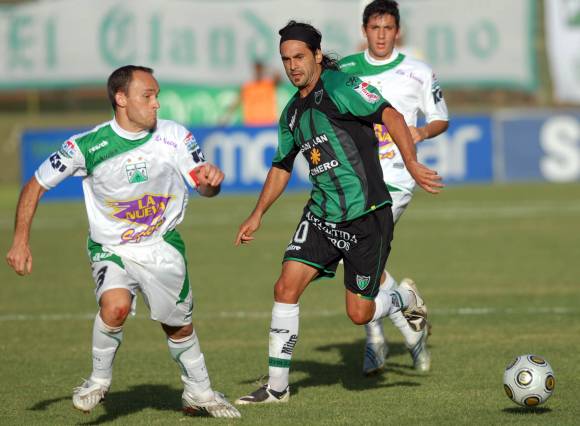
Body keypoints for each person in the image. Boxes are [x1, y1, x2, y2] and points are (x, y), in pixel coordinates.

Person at [5, 65, 241, 418]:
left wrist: (211, 181)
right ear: (121, 98)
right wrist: (20, 240)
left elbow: (204, 186)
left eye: (157, 95)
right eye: (147, 96)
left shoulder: (175, 136)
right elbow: (35, 184)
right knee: (114, 307)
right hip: (111, 248)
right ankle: (98, 381)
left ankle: (199, 392)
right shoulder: (86, 146)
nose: (156, 103)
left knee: (178, 326)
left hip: (162, 246)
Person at [233, 20, 442, 405]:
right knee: (284, 288)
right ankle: (277, 388)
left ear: (316, 55)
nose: (292, 66)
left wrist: (411, 163)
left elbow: (392, 116)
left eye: (299, 57)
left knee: (360, 314)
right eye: (286, 59)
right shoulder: (291, 114)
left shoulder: (342, 86)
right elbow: (281, 166)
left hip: (366, 215)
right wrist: (257, 213)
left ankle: (402, 299)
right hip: (321, 215)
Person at [339, 0, 450, 376]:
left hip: (396, 178)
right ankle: (407, 321)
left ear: (397, 31)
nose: (382, 35)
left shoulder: (418, 72)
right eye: (375, 28)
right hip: (354, 179)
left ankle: (376, 342)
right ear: (364, 31)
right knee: (359, 258)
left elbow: (440, 117)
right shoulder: (345, 69)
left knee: (359, 255)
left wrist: (421, 131)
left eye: (388, 28)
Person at [222, 60, 281, 126]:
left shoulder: (270, 84)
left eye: (260, 70)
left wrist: (267, 69)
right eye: (257, 70)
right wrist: (225, 117)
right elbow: (236, 103)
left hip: (269, 122)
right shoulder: (247, 87)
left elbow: (279, 77)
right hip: (251, 124)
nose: (258, 72)